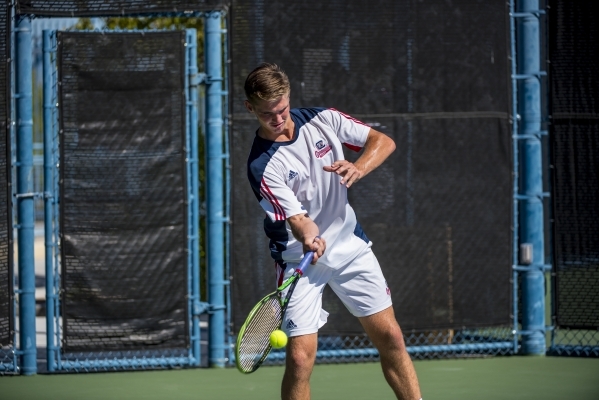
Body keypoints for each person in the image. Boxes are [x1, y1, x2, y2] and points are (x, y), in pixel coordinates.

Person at [244, 63, 422, 400]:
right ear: (250, 108)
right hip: (301, 261)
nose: (278, 118)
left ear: (289, 96)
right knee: (299, 359)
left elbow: (382, 141)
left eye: (281, 109)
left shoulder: (323, 119)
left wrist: (358, 166)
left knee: (392, 338)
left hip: (350, 246)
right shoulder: (262, 166)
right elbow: (298, 220)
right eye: (268, 113)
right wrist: (309, 236)